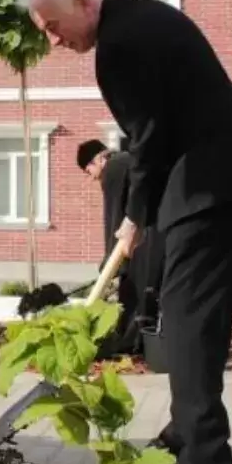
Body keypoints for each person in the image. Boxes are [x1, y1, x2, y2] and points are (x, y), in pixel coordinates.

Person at [16, 0, 232, 464]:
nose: (51, 39)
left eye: (51, 24)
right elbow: (159, 131)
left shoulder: (120, 46)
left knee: (187, 319)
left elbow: (149, 141)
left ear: (83, 3)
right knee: (193, 316)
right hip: (222, 172)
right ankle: (185, 435)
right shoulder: (138, 19)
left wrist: (133, 219)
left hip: (211, 180)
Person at [75, 139, 164, 357]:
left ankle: (131, 344)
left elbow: (114, 217)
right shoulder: (126, 162)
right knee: (150, 289)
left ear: (97, 159)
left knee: (132, 289)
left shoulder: (113, 169)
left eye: (88, 170)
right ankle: (145, 342)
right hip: (157, 232)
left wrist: (109, 260)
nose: (91, 176)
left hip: (143, 238)